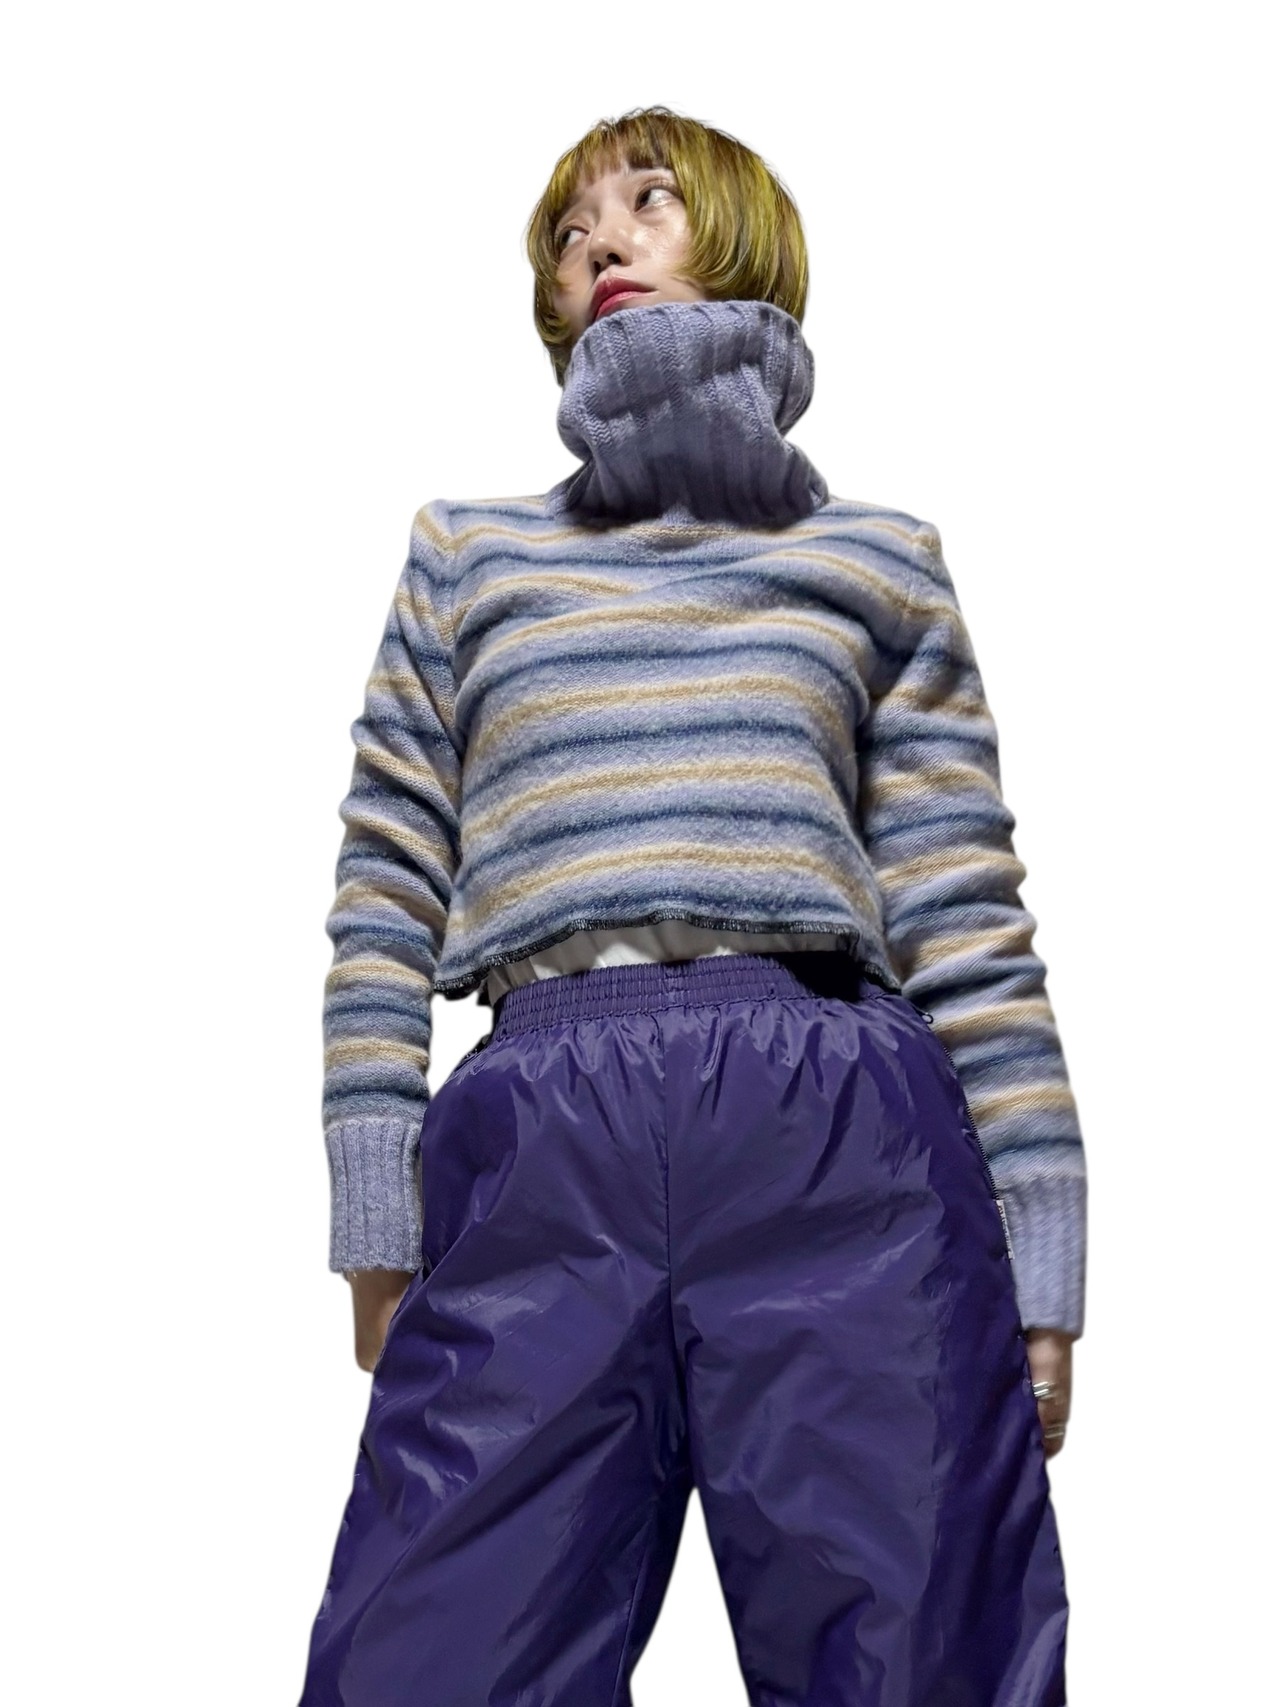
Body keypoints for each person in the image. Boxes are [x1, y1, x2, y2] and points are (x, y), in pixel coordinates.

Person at [297, 105, 1085, 1706]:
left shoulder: (879, 561)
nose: (602, 240)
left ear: (740, 240)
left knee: (921, 1656)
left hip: (837, 1126)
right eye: (570, 231)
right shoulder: (469, 556)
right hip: (541, 1130)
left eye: (646, 202)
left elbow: (966, 911)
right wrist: (374, 1201)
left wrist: (1041, 1233)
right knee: (429, 1661)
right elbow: (383, 886)